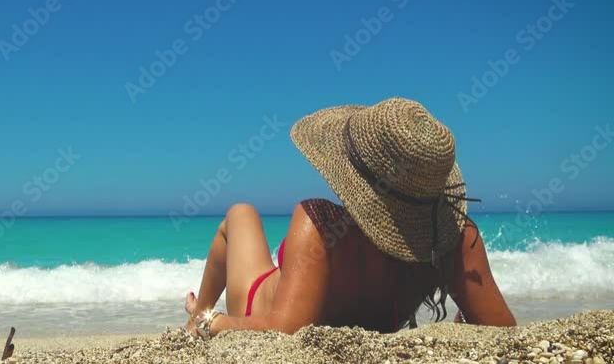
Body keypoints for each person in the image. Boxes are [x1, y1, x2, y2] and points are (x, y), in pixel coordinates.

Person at [185, 97, 516, 339]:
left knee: (240, 214)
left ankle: (195, 313)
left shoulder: (320, 223)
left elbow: (280, 331)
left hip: (255, 306)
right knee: (242, 214)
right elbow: (502, 329)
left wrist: (208, 319)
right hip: (276, 304)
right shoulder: (453, 241)